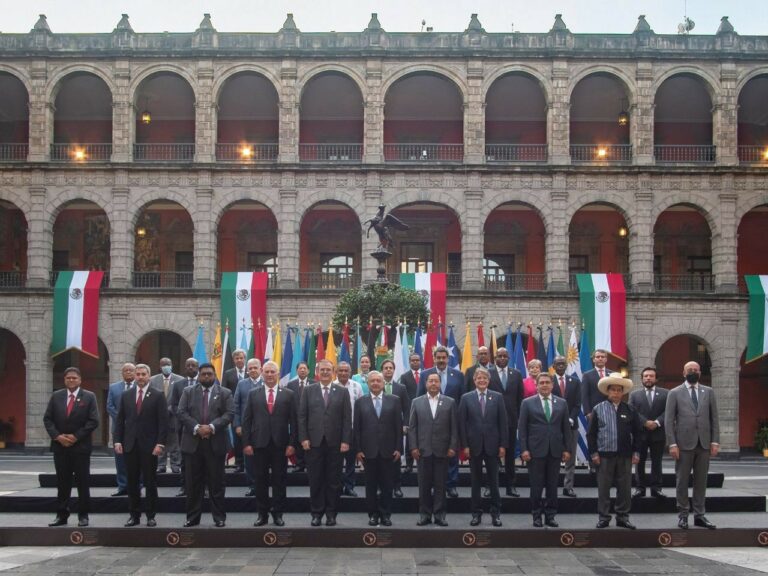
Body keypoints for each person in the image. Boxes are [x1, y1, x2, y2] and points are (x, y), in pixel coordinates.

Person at [177, 362, 235, 527]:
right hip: (193, 444)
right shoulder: (188, 392)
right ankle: (192, 518)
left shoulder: (225, 392)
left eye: (210, 374)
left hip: (215, 444)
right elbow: (181, 412)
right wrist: (197, 428)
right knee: (193, 484)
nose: (207, 377)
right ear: (199, 376)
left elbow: (229, 414)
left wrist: (211, 427)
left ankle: (219, 518)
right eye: (203, 374)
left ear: (215, 375)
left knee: (217, 483)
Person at [242, 360, 297, 527]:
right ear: (262, 373)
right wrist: (246, 443)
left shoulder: (288, 394)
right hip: (259, 444)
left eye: (273, 372)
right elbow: (247, 420)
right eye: (267, 372)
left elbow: (294, 422)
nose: (270, 375)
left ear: (278, 374)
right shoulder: (253, 394)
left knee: (280, 481)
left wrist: (292, 444)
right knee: (260, 481)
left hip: (281, 445)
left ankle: (278, 514)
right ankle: (262, 514)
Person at [665, 360, 719, 530]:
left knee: (701, 481)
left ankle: (700, 515)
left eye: (695, 370)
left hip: (703, 444)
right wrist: (672, 443)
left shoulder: (708, 392)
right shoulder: (674, 393)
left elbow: (714, 419)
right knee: (682, 481)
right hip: (683, 444)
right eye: (689, 369)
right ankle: (683, 515)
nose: (693, 372)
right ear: (683, 372)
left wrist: (715, 441)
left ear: (700, 373)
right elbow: (668, 420)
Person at [298, 359, 352, 526]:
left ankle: (331, 514)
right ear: (317, 372)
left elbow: (346, 419)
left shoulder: (342, 392)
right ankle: (316, 513)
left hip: (335, 443)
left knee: (333, 481)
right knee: (315, 479)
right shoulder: (308, 390)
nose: (326, 373)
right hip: (313, 443)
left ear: (333, 371)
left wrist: (345, 440)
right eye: (323, 370)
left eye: (328, 370)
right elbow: (302, 417)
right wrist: (304, 438)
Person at [43, 367, 99, 527]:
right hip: (60, 447)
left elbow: (93, 421)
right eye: (68, 378)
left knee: (83, 482)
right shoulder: (56, 396)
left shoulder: (89, 397)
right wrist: (57, 436)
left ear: (80, 380)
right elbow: (47, 419)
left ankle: (83, 515)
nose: (71, 380)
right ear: (65, 380)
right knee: (62, 482)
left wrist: (75, 437)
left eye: (74, 378)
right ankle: (62, 515)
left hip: (80, 447)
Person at [114, 364, 168, 527]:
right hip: (130, 445)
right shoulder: (126, 395)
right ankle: (134, 515)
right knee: (132, 482)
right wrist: (117, 440)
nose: (140, 377)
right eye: (138, 374)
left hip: (150, 446)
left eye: (143, 374)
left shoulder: (158, 395)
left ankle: (151, 515)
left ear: (149, 376)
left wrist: (160, 443)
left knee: (150, 482)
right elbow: (120, 420)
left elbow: (163, 422)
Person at [588, 376, 642, 530]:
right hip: (604, 455)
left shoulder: (630, 409)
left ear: (622, 392)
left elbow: (638, 433)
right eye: (613, 390)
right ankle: (604, 517)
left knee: (624, 488)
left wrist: (636, 452)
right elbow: (591, 434)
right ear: (608, 391)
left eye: (619, 390)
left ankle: (622, 517)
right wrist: (593, 454)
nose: (616, 393)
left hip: (625, 455)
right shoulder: (598, 409)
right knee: (603, 488)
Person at [518, 372, 571, 528]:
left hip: (555, 451)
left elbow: (566, 429)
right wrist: (524, 449)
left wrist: (567, 449)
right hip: (535, 451)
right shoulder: (527, 403)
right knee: (536, 486)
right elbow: (522, 430)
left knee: (552, 486)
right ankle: (536, 515)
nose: (545, 385)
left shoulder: (562, 403)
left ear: (552, 385)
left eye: (548, 382)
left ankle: (550, 516)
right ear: (537, 385)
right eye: (542, 382)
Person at [458, 366, 508, 527]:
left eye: (484, 378)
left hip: (493, 446)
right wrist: (464, 445)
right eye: (479, 378)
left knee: (494, 482)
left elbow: (503, 423)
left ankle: (496, 514)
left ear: (488, 380)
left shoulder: (498, 397)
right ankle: (476, 514)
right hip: (474, 447)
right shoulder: (466, 398)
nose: (481, 381)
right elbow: (462, 424)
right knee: (476, 482)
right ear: (474, 380)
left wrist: (503, 445)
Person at [408, 372, 458, 527]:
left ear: (440, 383)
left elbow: (454, 428)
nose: (434, 384)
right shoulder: (416, 402)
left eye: (436, 381)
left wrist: (452, 447)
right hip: (423, 451)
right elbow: (412, 428)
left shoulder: (450, 402)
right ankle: (424, 515)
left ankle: (440, 515)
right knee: (423, 486)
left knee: (441, 485)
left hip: (442, 451)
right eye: (431, 381)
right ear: (426, 384)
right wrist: (413, 447)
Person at [354, 370, 403, 527]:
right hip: (368, 452)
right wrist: (358, 450)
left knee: (387, 486)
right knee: (370, 486)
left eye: (378, 381)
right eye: (372, 381)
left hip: (389, 451)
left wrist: (398, 448)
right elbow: (357, 429)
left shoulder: (394, 400)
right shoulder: (360, 402)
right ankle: (373, 515)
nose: (375, 383)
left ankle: (385, 514)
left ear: (383, 384)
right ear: (368, 384)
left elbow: (398, 426)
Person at [417, 346, 464, 498]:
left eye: (444, 358)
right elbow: (418, 399)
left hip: (452, 421)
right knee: (431, 456)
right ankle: (431, 486)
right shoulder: (425, 374)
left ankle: (451, 485)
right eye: (439, 357)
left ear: (448, 359)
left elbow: (462, 399)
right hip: (430, 422)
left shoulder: (458, 375)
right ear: (434, 358)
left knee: (451, 454)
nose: (441, 360)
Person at [488, 347, 523, 497]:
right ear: (495, 358)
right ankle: (490, 486)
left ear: (509, 358)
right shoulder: (488, 374)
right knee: (491, 456)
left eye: (504, 356)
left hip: (510, 421)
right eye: (499, 356)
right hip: (491, 422)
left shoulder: (516, 374)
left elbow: (520, 398)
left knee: (509, 456)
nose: (502, 358)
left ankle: (511, 486)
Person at [629, 366, 668, 499]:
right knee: (639, 462)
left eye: (651, 376)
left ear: (656, 378)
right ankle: (640, 489)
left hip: (658, 432)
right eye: (646, 376)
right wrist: (645, 422)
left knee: (657, 462)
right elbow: (632, 411)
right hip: (641, 433)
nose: (648, 378)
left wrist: (656, 422)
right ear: (642, 379)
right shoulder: (634, 394)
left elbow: (668, 411)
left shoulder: (665, 393)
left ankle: (656, 489)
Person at [551, 355, 582, 497]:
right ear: (553, 366)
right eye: (558, 364)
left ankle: (568, 486)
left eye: (563, 363)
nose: (561, 366)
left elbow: (577, 404)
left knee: (570, 456)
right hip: (553, 426)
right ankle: (552, 486)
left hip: (571, 426)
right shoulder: (548, 381)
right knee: (554, 456)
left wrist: (570, 418)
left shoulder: (575, 382)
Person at [168, 357, 199, 496]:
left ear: (197, 367)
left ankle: (202, 488)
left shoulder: (203, 381)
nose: (191, 367)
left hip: (201, 427)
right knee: (185, 459)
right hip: (183, 428)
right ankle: (184, 486)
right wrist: (185, 419)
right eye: (188, 365)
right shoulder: (178, 384)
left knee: (201, 459)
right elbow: (173, 405)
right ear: (185, 367)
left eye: (193, 365)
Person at [381, 359, 411, 497]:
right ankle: (382, 486)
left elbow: (407, 408)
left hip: (396, 429)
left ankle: (397, 487)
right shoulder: (376, 385)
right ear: (382, 370)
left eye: (390, 368)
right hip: (379, 429)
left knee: (396, 459)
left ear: (394, 370)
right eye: (386, 368)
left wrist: (405, 424)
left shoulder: (401, 388)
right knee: (380, 459)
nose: (388, 370)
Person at [149, 357, 184, 474]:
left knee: (175, 442)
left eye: (168, 364)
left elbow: (182, 399)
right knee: (160, 441)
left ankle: (175, 464)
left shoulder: (180, 380)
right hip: (158, 417)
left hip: (174, 416)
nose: (166, 366)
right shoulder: (152, 380)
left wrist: (169, 409)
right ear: (160, 366)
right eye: (163, 365)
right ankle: (161, 464)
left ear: (172, 365)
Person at [233, 358, 262, 497]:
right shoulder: (242, 384)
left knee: (264, 458)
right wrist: (237, 424)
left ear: (260, 368)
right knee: (249, 459)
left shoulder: (267, 382)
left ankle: (264, 485)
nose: (253, 370)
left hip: (264, 428)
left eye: (255, 367)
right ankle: (252, 485)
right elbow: (236, 406)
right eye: (250, 368)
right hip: (247, 428)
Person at [106, 362, 135, 496]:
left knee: (136, 458)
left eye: (131, 370)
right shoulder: (113, 387)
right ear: (122, 373)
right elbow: (110, 406)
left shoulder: (139, 387)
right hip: (119, 429)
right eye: (126, 370)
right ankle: (122, 486)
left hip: (136, 429)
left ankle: (137, 486)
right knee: (120, 459)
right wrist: (122, 419)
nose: (128, 372)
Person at [336, 361, 364, 497]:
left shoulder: (356, 386)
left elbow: (361, 408)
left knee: (351, 461)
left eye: (346, 371)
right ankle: (337, 486)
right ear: (336, 372)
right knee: (336, 461)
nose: (343, 373)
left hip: (352, 429)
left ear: (350, 372)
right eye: (340, 370)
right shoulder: (332, 386)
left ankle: (349, 486)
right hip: (334, 431)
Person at [222, 348, 248, 472]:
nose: (239, 360)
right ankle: (239, 463)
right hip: (235, 410)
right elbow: (224, 392)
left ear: (245, 359)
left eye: (241, 358)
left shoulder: (251, 371)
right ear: (234, 360)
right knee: (237, 438)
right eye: (237, 358)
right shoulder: (228, 373)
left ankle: (250, 463)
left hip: (250, 410)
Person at [286, 361, 314, 472]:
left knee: (310, 440)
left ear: (308, 370)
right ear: (297, 370)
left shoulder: (314, 383)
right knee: (298, 440)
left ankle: (310, 464)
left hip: (311, 418)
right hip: (295, 417)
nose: (302, 370)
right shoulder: (291, 384)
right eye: (300, 368)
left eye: (304, 368)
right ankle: (299, 464)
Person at [398, 353, 421, 473]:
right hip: (410, 410)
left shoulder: (426, 375)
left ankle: (422, 463)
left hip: (424, 410)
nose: (415, 362)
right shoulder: (405, 376)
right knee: (410, 437)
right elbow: (403, 396)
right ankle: (409, 464)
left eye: (417, 360)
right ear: (410, 362)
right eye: (413, 360)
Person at [581, 349, 612, 419]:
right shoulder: (587, 375)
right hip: (593, 411)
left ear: (606, 359)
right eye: (598, 357)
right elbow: (584, 395)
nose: (600, 358)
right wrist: (587, 412)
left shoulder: (612, 374)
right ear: (593, 360)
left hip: (610, 410)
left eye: (602, 357)